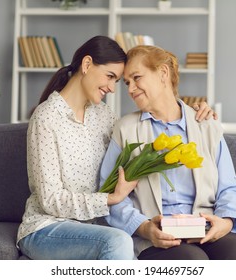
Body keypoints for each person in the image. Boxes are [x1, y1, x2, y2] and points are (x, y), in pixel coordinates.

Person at [16, 36, 215, 260]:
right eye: (110, 76)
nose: (112, 88)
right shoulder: (46, 118)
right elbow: (50, 200)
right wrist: (109, 199)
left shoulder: (105, 116)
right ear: (87, 64)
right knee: (119, 241)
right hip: (48, 228)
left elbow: (146, 128)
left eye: (117, 81)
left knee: (126, 243)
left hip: (96, 228)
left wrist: (193, 112)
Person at [100, 45, 236, 260]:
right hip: (157, 235)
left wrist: (225, 222)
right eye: (127, 82)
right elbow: (109, 194)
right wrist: (145, 228)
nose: (130, 89)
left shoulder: (205, 125)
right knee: (192, 261)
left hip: (205, 227)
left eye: (137, 78)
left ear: (163, 73)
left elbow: (229, 187)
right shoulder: (125, 129)